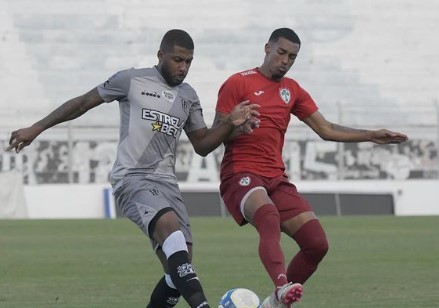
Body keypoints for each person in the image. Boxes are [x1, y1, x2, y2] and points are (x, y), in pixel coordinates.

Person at [5, 29, 260, 308]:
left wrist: (231, 126)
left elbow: (202, 144)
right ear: (161, 55)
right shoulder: (131, 79)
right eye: (177, 60)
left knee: (177, 270)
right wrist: (38, 127)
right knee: (171, 232)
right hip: (133, 177)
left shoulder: (188, 95)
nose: (183, 67)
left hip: (167, 185)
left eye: (189, 62)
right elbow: (82, 103)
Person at [213, 28, 408, 308]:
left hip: (275, 178)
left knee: (317, 243)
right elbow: (215, 133)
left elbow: (326, 129)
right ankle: (282, 287)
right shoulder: (237, 83)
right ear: (267, 48)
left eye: (292, 57)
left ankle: (272, 304)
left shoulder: (291, 89)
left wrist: (370, 135)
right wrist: (235, 125)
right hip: (240, 173)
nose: (286, 60)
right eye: (281, 53)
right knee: (268, 216)